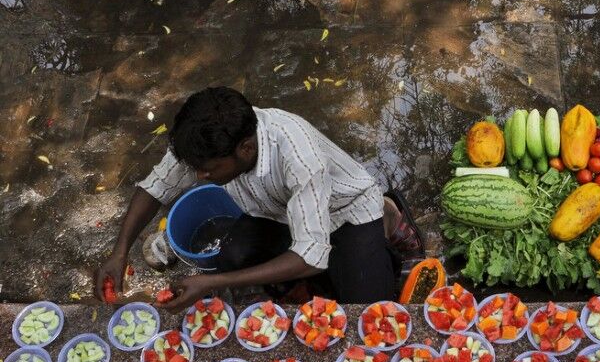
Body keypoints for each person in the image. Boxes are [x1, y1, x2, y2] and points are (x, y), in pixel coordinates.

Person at [94, 87, 424, 309]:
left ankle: (388, 215)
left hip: (345, 211)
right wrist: (119, 250)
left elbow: (311, 257)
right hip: (281, 212)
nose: (199, 177)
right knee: (232, 254)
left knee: (365, 308)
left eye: (208, 170)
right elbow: (156, 186)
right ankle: (307, 282)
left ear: (246, 149)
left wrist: (212, 282)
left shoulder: (300, 157)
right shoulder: (207, 142)